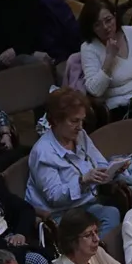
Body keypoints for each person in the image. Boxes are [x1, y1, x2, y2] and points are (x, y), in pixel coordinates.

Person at [24, 87, 122, 234]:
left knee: (112, 213)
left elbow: (100, 163)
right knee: (95, 225)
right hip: (60, 214)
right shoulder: (43, 152)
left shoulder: (80, 136)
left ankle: (97, 247)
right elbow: (54, 197)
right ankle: (95, 248)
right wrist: (82, 181)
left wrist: (112, 170)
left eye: (82, 120)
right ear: (56, 120)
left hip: (86, 204)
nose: (80, 127)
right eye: (75, 121)